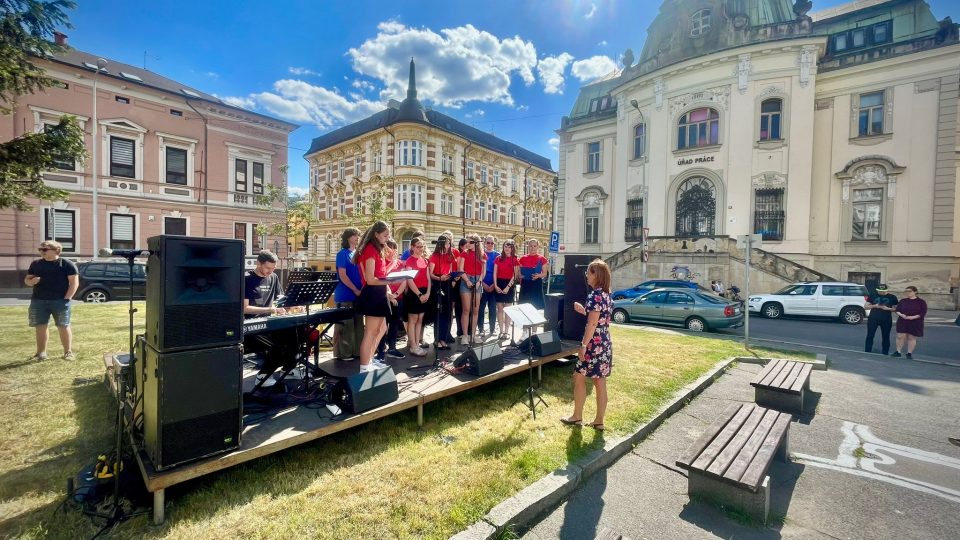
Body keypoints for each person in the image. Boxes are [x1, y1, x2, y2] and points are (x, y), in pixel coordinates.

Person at [561, 259, 613, 431]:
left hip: (593, 343)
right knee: (600, 381)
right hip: (604, 341)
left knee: (578, 377)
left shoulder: (595, 295)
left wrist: (583, 346)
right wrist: (584, 310)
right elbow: (598, 319)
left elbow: (592, 325)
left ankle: (577, 416)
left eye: (589, 272)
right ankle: (599, 422)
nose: (586, 275)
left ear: (596, 275)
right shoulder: (606, 295)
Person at [243, 250, 293, 388]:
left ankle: (289, 369)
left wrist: (292, 305)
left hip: (270, 322)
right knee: (278, 345)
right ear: (258, 263)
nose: (270, 272)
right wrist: (271, 309)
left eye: (273, 268)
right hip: (250, 325)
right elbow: (245, 308)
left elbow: (281, 299)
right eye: (267, 268)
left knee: (295, 335)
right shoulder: (246, 279)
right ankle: (263, 375)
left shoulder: (274, 277)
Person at [25, 240, 79, 361]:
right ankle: (41, 354)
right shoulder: (36, 264)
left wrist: (67, 298)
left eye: (45, 249)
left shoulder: (66, 264)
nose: (41, 252)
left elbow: (74, 283)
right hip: (38, 300)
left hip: (60, 301)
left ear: (57, 251)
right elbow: (27, 280)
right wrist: (31, 282)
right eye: (40, 249)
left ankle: (68, 352)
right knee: (40, 326)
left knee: (63, 326)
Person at [353, 221, 395, 372]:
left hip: (379, 292)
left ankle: (369, 360)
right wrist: (390, 280)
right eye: (385, 235)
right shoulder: (370, 249)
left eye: (388, 235)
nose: (387, 238)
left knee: (381, 328)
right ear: (376, 234)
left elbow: (380, 274)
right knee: (370, 332)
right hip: (372, 293)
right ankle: (364, 367)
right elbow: (370, 279)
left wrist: (389, 278)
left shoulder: (377, 250)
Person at [333, 227, 364, 360]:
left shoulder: (358, 253)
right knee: (346, 325)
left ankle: (357, 351)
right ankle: (344, 353)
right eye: (354, 235)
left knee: (358, 325)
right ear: (347, 238)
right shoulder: (342, 254)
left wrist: (362, 289)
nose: (357, 237)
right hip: (345, 294)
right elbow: (342, 275)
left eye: (358, 235)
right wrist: (355, 289)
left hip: (359, 294)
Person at [376, 240, 406, 360]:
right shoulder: (382, 263)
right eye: (390, 249)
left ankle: (392, 347)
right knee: (383, 325)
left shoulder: (399, 263)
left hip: (398, 297)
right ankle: (381, 349)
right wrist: (389, 295)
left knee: (394, 323)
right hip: (384, 298)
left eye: (395, 249)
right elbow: (380, 279)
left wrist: (396, 294)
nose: (393, 252)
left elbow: (404, 280)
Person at [403, 237, 431, 356]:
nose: (420, 249)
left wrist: (428, 292)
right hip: (415, 293)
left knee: (420, 319)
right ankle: (413, 345)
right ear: (413, 247)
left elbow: (428, 278)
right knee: (412, 320)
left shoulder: (424, 260)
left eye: (422, 246)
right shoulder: (409, 261)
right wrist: (419, 294)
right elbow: (409, 280)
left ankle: (417, 344)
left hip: (425, 292)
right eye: (418, 246)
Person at [458, 233, 487, 345]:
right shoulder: (464, 253)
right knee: (466, 310)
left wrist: (479, 281)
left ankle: (473, 335)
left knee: (475, 310)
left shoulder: (482, 255)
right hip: (467, 279)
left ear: (476, 243)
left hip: (478, 280)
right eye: (467, 242)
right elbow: (460, 269)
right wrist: (467, 281)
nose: (468, 244)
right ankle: (465, 335)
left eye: (470, 242)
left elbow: (483, 270)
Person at [429, 234, 457, 350]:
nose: (448, 245)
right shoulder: (434, 256)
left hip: (447, 283)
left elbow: (450, 269)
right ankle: (437, 339)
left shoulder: (450, 256)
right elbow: (430, 274)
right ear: (441, 243)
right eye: (446, 243)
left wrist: (451, 277)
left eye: (449, 243)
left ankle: (443, 338)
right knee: (439, 312)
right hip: (438, 283)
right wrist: (439, 278)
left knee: (447, 311)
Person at [493, 240, 520, 341]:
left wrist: (508, 287)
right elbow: (495, 273)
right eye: (505, 246)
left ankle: (506, 331)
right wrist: (495, 285)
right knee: (500, 309)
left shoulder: (515, 259)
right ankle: (501, 331)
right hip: (499, 283)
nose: (507, 248)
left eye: (509, 247)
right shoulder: (498, 258)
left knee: (508, 310)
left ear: (512, 248)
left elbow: (514, 275)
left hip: (509, 284)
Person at [891, 286, 926, 360]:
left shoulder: (921, 302)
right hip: (903, 320)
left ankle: (909, 353)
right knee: (900, 336)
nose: (907, 293)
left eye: (909, 291)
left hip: (915, 322)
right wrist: (901, 315)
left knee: (911, 337)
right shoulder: (903, 301)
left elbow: (923, 312)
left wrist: (913, 317)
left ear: (915, 292)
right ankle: (898, 352)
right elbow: (897, 310)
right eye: (906, 291)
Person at [864, 284, 897, 355]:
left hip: (886, 318)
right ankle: (867, 350)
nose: (881, 292)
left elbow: (896, 309)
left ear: (886, 290)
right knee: (870, 335)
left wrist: (888, 308)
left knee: (886, 336)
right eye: (879, 291)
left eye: (883, 291)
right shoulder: (873, 295)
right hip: (873, 318)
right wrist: (874, 306)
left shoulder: (892, 297)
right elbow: (866, 306)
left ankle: (885, 352)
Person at [477, 235, 498, 336]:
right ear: (485, 243)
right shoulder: (480, 254)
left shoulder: (498, 255)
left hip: (494, 285)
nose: (490, 245)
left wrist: (494, 284)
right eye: (488, 242)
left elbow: (499, 272)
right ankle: (481, 329)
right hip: (482, 284)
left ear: (494, 244)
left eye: (492, 243)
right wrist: (483, 283)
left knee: (492, 308)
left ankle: (492, 329)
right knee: (481, 308)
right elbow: (478, 270)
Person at [518, 239, 548, 309]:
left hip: (536, 284)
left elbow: (544, 274)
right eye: (531, 246)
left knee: (536, 307)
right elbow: (518, 270)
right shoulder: (522, 258)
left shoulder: (542, 259)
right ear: (528, 247)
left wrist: (538, 276)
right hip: (525, 284)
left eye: (534, 246)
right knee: (524, 306)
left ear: (538, 247)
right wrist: (519, 275)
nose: (532, 248)